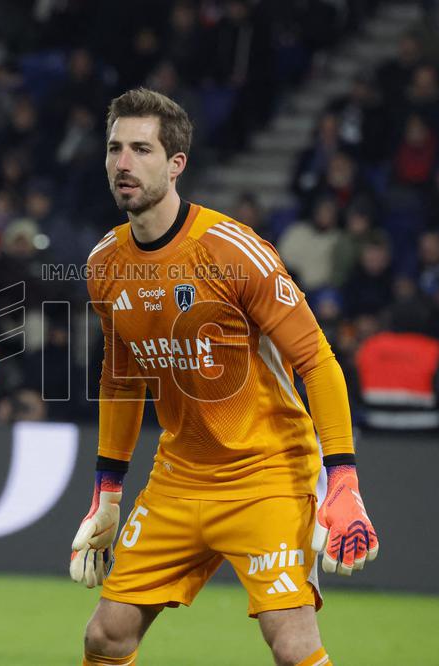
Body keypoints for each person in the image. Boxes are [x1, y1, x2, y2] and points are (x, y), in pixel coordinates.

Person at [72, 88, 379, 666]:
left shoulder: (234, 251)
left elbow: (318, 360)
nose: (123, 164)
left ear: (176, 164)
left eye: (141, 149)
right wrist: (107, 493)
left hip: (268, 473)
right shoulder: (103, 265)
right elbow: (120, 377)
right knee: (104, 637)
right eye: (115, 148)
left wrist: (343, 480)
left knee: (292, 647)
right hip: (179, 477)